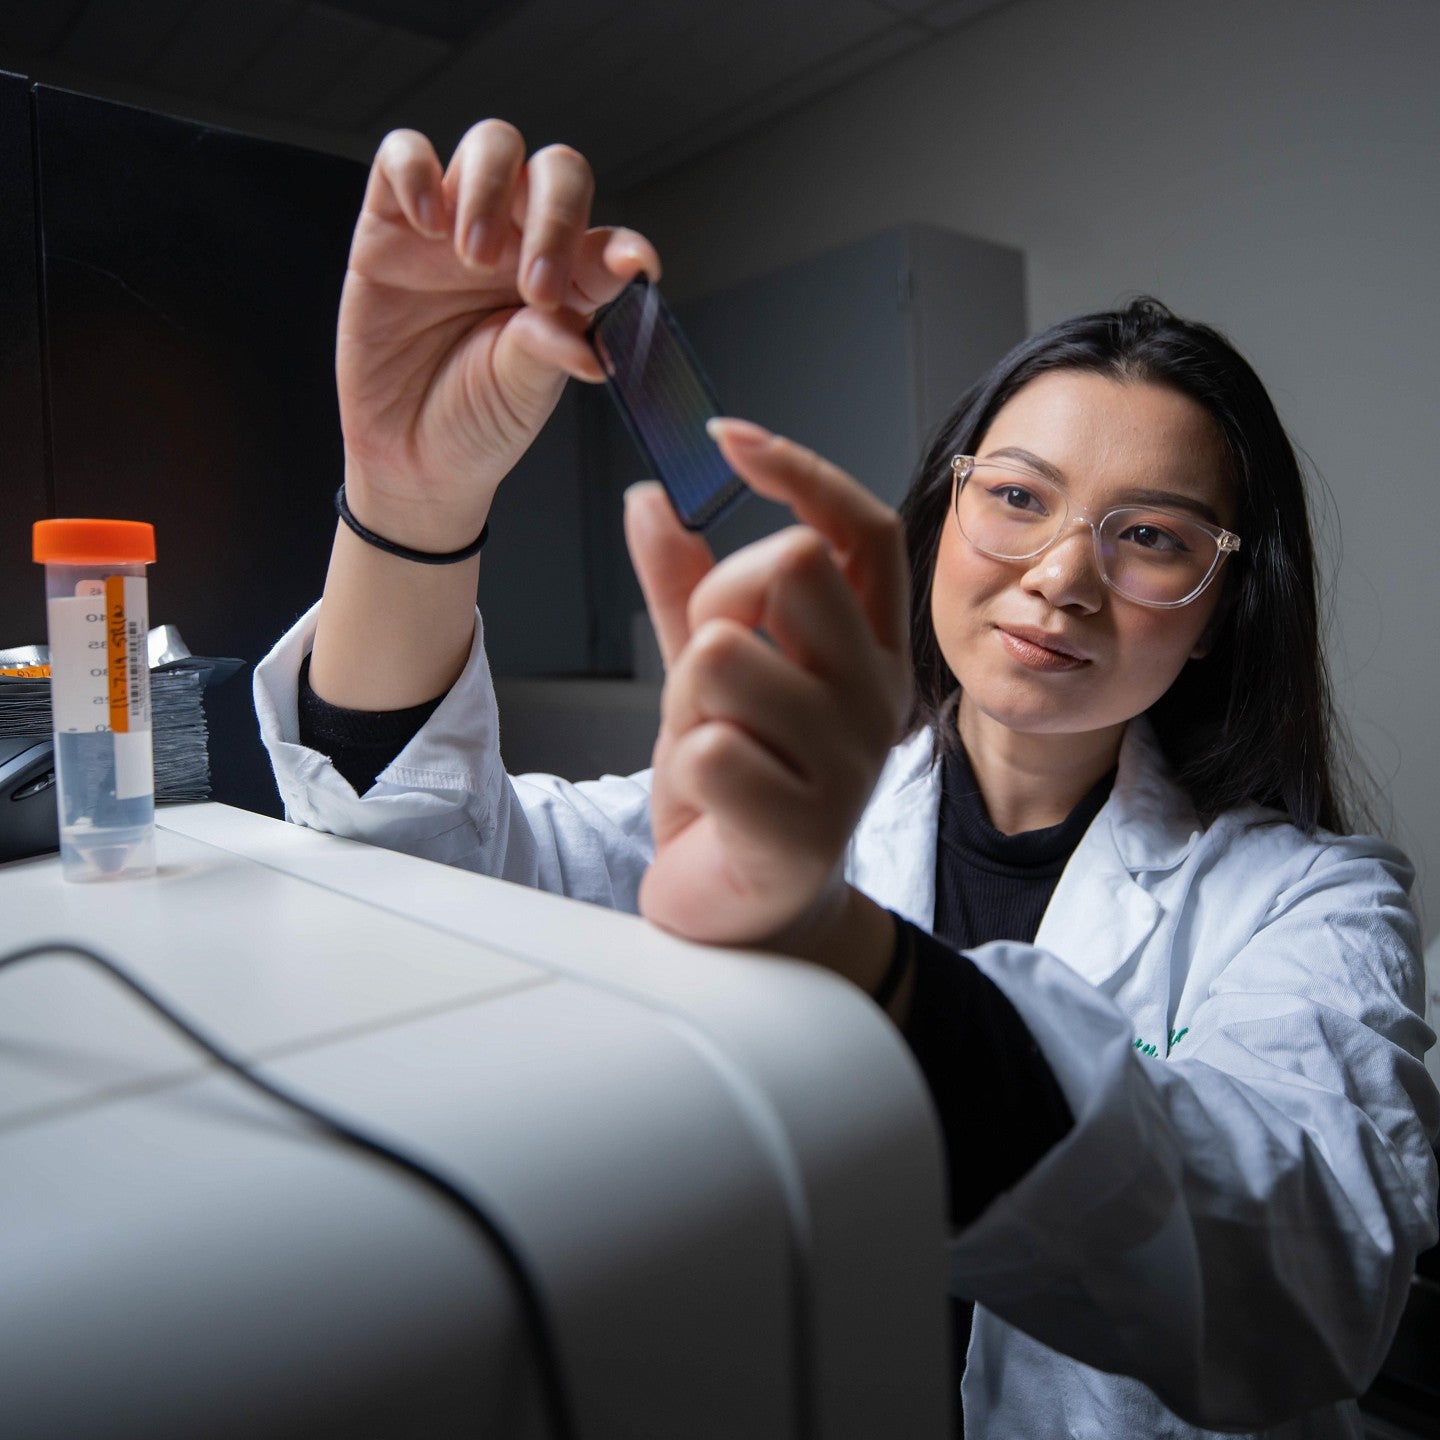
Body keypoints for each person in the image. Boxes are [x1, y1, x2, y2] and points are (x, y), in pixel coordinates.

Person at [254, 121, 1439, 1438]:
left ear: (1217, 608)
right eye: (1020, 499)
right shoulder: (780, 797)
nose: (1061, 574)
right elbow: (420, 879)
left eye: (1150, 536)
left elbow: (1306, 1286)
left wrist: (833, 943)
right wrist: (408, 505)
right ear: (943, 518)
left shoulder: (1315, 903)